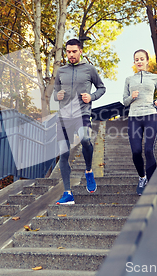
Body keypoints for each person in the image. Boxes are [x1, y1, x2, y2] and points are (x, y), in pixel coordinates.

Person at [54, 38, 106, 205]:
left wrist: (92, 97)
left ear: (81, 51)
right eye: (68, 52)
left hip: (82, 114)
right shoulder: (61, 71)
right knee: (63, 152)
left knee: (85, 139)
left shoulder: (89, 69)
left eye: (74, 51)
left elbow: (102, 88)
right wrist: (57, 96)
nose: (70, 55)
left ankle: (89, 170)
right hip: (63, 117)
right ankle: (68, 193)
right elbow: (56, 91)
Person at [123, 49, 157, 195]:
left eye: (142, 59)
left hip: (150, 116)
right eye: (137, 59)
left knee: (149, 150)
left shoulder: (155, 78)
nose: (139, 61)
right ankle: (142, 177)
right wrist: (131, 97)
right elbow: (124, 101)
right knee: (136, 152)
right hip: (134, 118)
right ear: (134, 62)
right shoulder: (129, 79)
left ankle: (152, 182)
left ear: (147, 61)